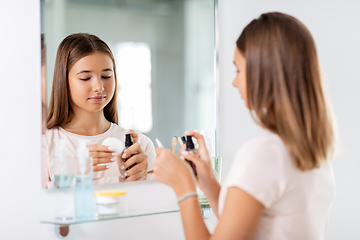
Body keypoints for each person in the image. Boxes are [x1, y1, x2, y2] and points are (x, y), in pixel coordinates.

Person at [154, 12, 336, 240]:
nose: (234, 81)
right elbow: (243, 225)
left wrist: (184, 186)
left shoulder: (265, 154)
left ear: (265, 73)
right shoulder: (313, 152)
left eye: (238, 70)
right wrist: (208, 182)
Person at [42, 33, 155, 189]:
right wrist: (71, 173)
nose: (99, 87)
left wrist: (141, 180)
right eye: (85, 78)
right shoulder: (45, 144)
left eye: (106, 76)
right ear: (64, 81)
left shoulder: (139, 146)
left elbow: (152, 207)